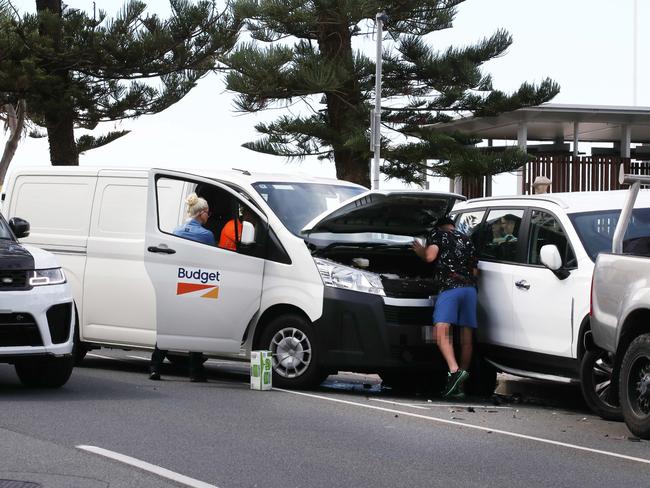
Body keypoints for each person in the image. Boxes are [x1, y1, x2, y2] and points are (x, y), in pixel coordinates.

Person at [412, 216, 479, 399]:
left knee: (441, 330)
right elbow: (475, 271)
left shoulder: (438, 234)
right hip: (470, 291)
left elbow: (430, 256)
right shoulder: (466, 239)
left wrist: (419, 250)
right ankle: (460, 386)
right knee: (466, 337)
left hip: (451, 289)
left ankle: (454, 370)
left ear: (439, 226)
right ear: (453, 225)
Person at [149, 192, 212, 382]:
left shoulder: (177, 231)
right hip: (198, 285)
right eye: (208, 212)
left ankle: (155, 367)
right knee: (196, 328)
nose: (208, 216)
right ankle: (195, 372)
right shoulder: (207, 235)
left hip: (177, 283)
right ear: (201, 213)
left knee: (170, 327)